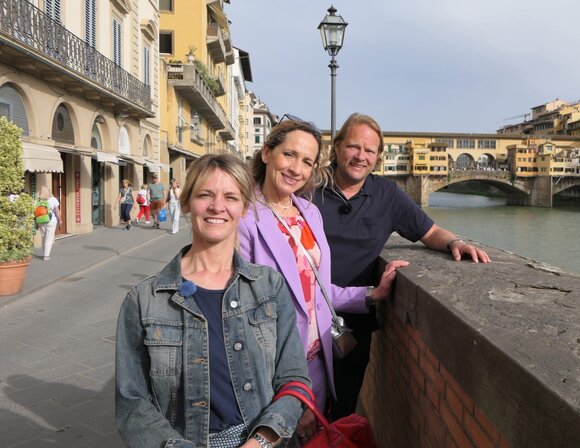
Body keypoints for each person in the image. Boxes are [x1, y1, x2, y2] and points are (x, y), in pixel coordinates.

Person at [116, 154, 311, 448]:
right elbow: (132, 404)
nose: (217, 206)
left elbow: (294, 379)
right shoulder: (144, 300)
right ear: (186, 203)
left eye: (230, 197)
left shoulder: (269, 286)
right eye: (205, 194)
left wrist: (260, 441)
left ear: (244, 207)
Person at [312, 112, 491, 418]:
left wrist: (453, 243)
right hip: (301, 318)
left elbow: (430, 232)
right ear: (337, 147)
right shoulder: (310, 188)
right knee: (294, 409)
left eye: (369, 151)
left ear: (378, 157)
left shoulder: (387, 194)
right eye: (354, 147)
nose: (361, 156)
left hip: (352, 324)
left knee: (341, 411)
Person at [238, 119, 407, 441]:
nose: (296, 168)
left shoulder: (307, 212)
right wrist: (289, 395)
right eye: (289, 155)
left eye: (307, 161)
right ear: (266, 153)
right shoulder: (245, 219)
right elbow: (242, 319)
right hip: (278, 373)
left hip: (318, 362)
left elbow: (314, 291)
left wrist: (372, 293)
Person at [37, 185, 60, 260]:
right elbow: (57, 211)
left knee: (43, 237)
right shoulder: (53, 199)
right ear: (49, 191)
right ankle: (46, 255)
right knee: (49, 238)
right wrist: (60, 219)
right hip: (51, 220)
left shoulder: (38, 200)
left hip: (40, 220)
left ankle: (44, 253)